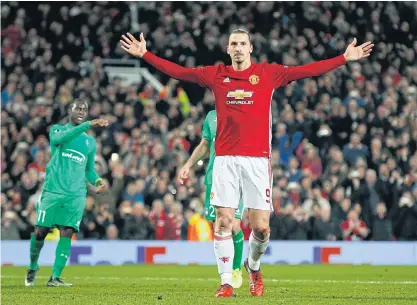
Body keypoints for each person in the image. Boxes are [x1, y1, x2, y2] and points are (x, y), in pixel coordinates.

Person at [120, 30, 373, 297]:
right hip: (225, 160)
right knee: (223, 221)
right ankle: (226, 282)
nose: (238, 48)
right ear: (228, 49)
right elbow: (180, 72)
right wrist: (145, 55)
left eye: (242, 43)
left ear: (250, 48)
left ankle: (253, 267)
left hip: (257, 161)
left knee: (261, 228)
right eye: (233, 44)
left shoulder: (268, 74)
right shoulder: (216, 75)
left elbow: (307, 70)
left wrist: (343, 58)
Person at [25, 99, 109, 287]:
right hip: (53, 190)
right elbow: (57, 141)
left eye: (85, 109)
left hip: (76, 194)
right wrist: (88, 124)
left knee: (67, 232)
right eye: (78, 108)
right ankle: (32, 266)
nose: (81, 111)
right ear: (69, 110)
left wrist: (97, 180)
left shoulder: (90, 142)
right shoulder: (57, 129)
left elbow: (88, 169)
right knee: (40, 232)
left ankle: (54, 277)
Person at [178, 110, 245, 289]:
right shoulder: (211, 116)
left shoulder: (244, 111)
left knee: (234, 225)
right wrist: (187, 164)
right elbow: (204, 144)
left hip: (237, 177)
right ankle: (225, 278)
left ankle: (236, 268)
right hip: (214, 178)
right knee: (219, 226)